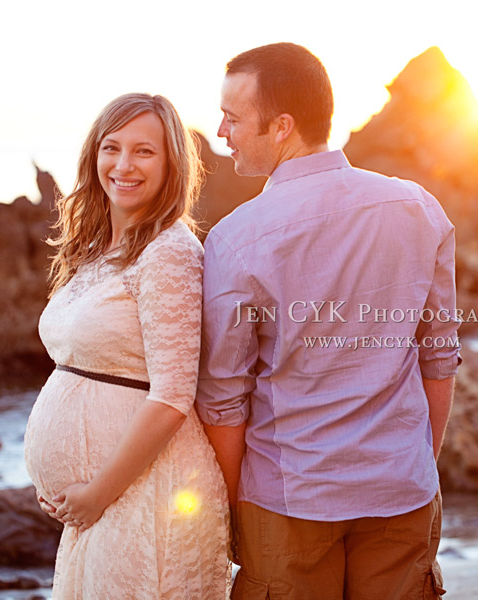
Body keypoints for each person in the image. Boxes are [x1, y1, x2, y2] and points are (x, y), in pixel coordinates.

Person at [196, 43, 459, 600]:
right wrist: (415, 464)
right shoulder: (418, 208)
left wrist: (233, 506)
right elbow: (439, 360)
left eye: (233, 118)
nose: (221, 131)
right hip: (402, 490)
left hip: (287, 503)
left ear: (282, 126)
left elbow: (223, 398)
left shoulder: (236, 239)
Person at [24, 93, 231, 599]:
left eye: (144, 151)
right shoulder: (95, 250)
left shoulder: (169, 253)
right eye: (111, 147)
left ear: (171, 163)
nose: (123, 165)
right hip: (105, 507)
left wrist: (96, 492)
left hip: (149, 498)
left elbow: (172, 395)